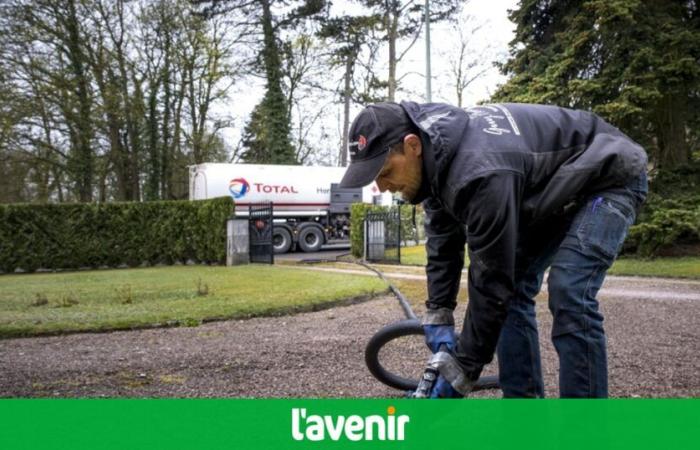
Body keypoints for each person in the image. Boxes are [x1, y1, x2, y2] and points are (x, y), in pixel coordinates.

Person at [339, 101, 648, 398]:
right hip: (559, 191)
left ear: (412, 146)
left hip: (609, 176)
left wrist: (464, 368)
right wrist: (438, 313)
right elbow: (443, 244)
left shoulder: (481, 171)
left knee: (570, 290)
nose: (382, 186)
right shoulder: (436, 163)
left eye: (385, 172)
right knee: (514, 294)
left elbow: (491, 278)